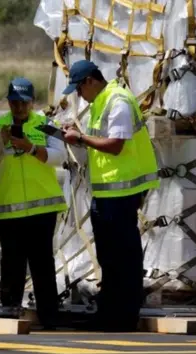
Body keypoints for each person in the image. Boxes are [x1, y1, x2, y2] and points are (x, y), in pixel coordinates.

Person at [61, 60, 160, 332]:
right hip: (107, 192)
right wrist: (77, 135)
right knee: (109, 256)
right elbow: (98, 145)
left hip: (122, 191)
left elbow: (116, 146)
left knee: (123, 258)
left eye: (79, 90)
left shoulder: (117, 101)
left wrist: (80, 140)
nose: (79, 96)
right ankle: (108, 313)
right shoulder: (100, 103)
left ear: (90, 82)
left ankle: (123, 316)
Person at [0, 78, 68, 329]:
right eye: (14, 103)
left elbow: (61, 155)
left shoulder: (47, 124)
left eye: (24, 103)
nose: (19, 108)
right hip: (8, 207)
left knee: (42, 263)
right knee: (11, 263)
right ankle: (9, 312)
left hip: (42, 208)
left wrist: (32, 148)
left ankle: (50, 317)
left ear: (32, 102)